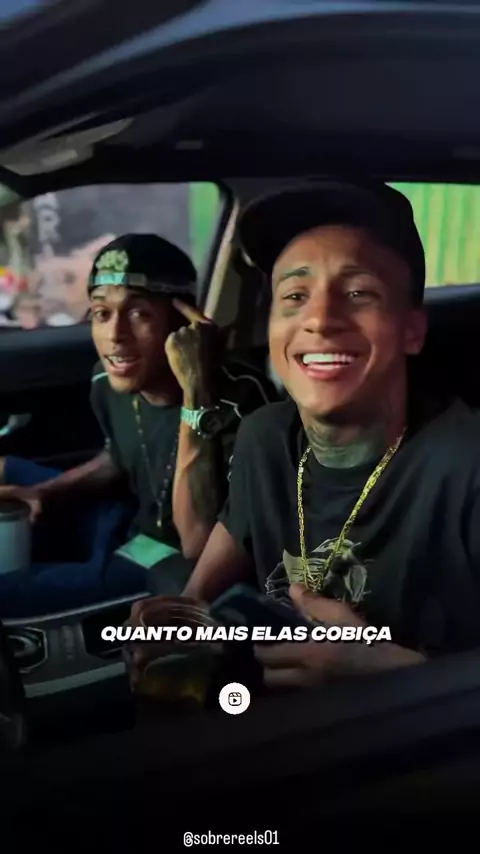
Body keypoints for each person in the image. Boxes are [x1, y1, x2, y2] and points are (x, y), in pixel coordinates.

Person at [182, 178, 480, 685]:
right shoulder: (264, 438)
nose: (319, 319)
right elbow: (202, 584)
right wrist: (171, 626)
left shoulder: (466, 467)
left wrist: (385, 676)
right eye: (294, 295)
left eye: (359, 293)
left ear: (412, 331)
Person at [0, 233, 276, 617]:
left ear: (183, 321)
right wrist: (46, 492)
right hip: (129, 522)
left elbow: (196, 543)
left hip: (168, 563)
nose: (115, 336)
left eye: (138, 314)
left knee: (8, 594)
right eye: (102, 313)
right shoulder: (105, 381)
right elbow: (118, 456)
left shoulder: (241, 403)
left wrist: (196, 392)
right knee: (8, 469)